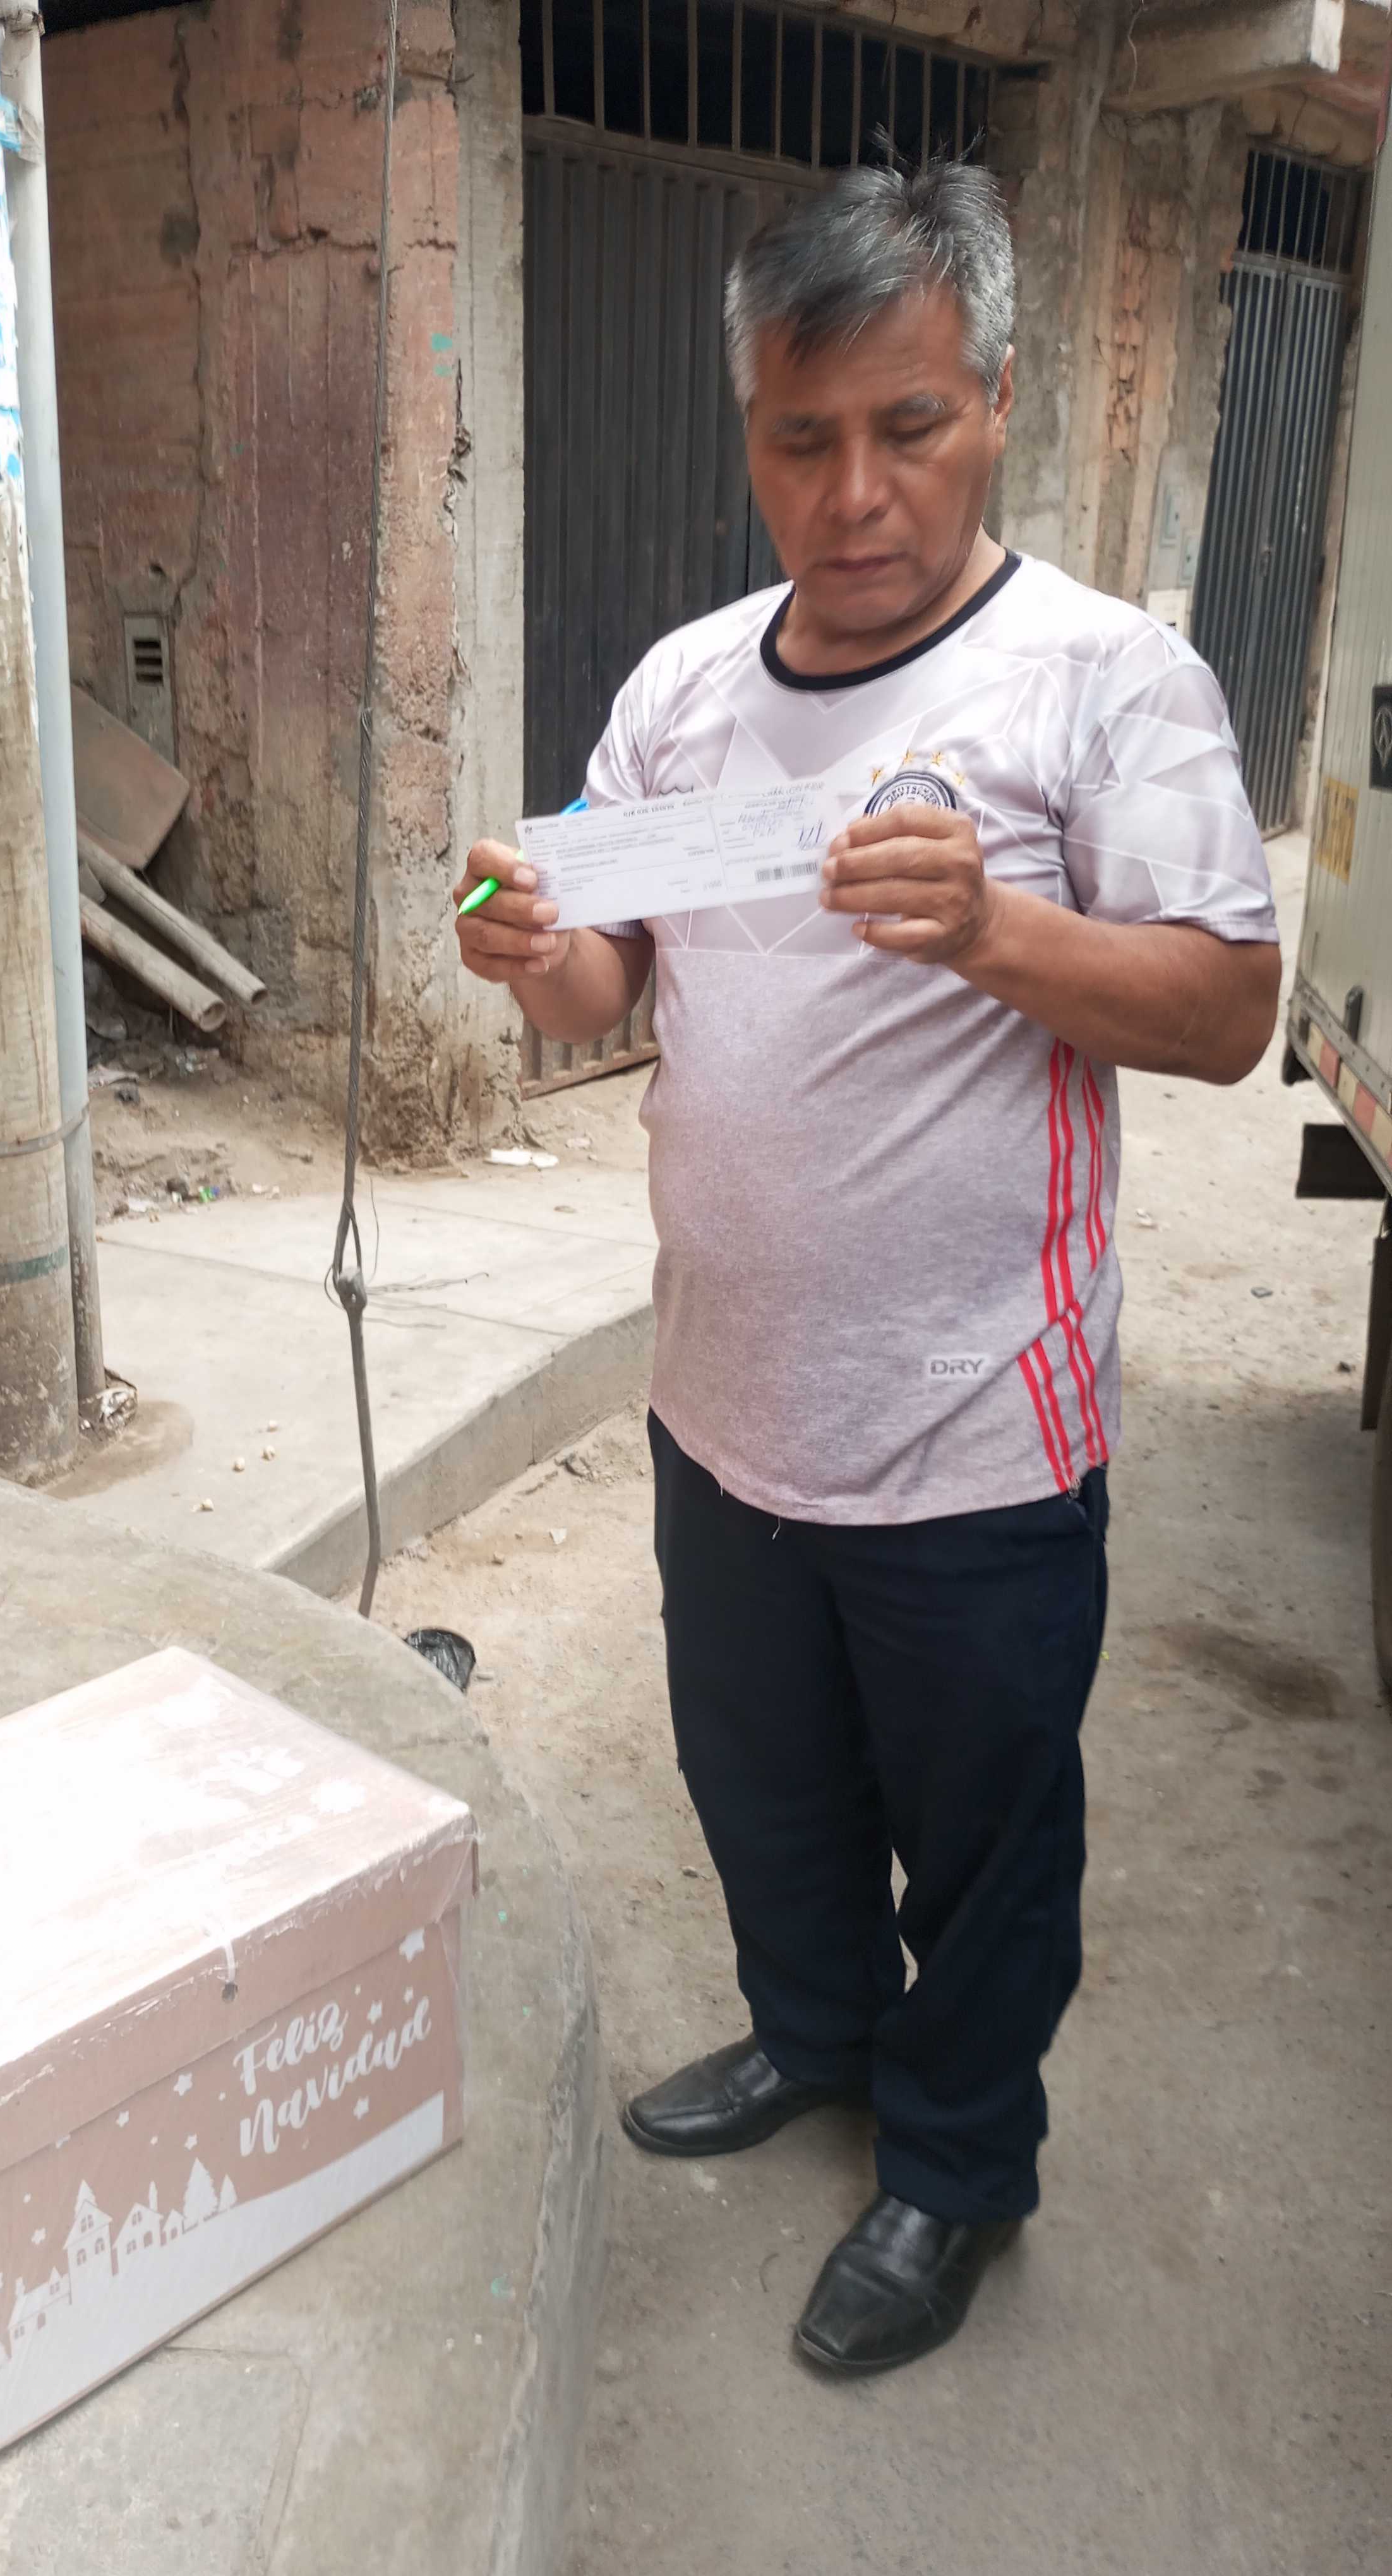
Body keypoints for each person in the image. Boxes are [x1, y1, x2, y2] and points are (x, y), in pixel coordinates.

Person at [453, 160, 1280, 2376]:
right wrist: (531, 947)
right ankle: (815, 2034)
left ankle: (955, 2168)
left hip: (977, 1427)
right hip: (722, 1398)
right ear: (751, 431)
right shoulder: (683, 690)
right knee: (764, 1784)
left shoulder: (1105, 682)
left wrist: (996, 927)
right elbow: (610, 977)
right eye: (801, 437)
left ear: (995, 399)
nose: (853, 493)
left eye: (907, 427)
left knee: (984, 1839)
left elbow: (1229, 1009)